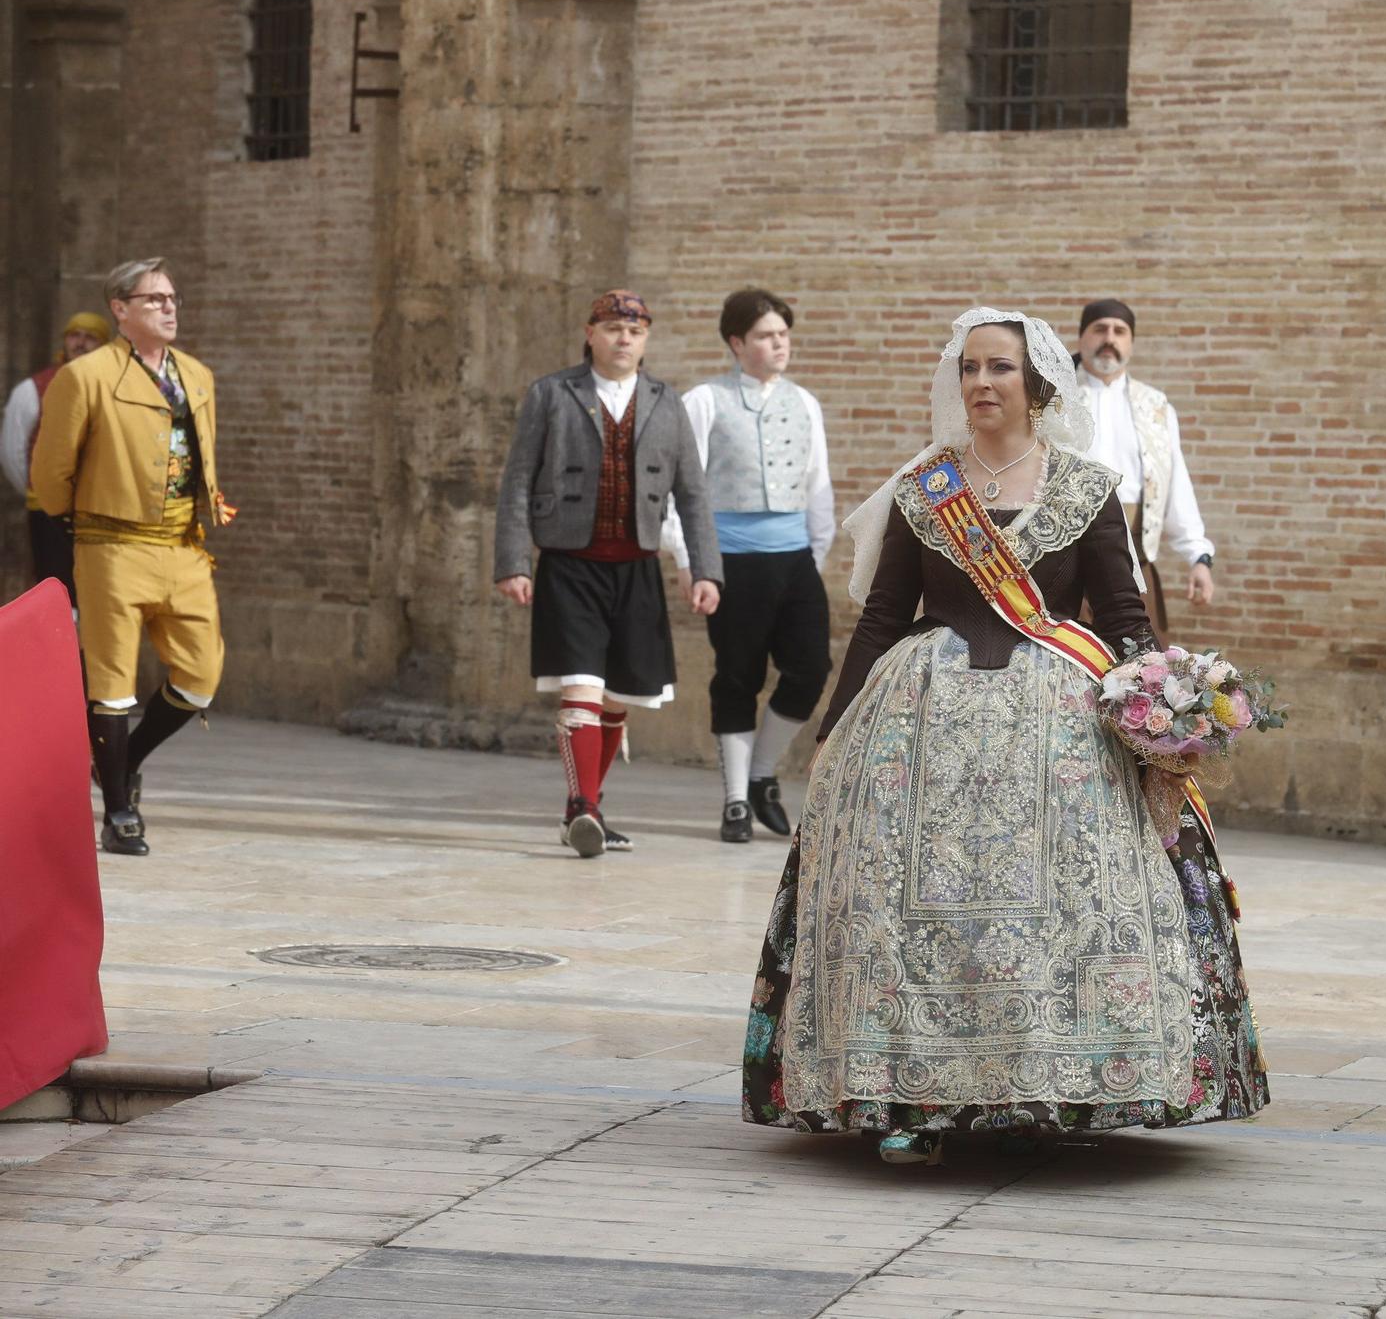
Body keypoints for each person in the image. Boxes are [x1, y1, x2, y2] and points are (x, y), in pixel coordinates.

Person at [741, 308, 1268, 1165]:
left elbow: (1126, 618)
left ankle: (1049, 1088)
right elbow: (880, 620)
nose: (982, 383)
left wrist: (1169, 708)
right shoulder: (927, 490)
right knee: (897, 908)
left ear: (1038, 385)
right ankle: (902, 1096)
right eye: (970, 369)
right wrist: (834, 732)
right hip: (919, 725)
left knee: (1064, 910)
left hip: (1060, 732)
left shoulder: (1088, 489)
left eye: (1001, 369)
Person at [494, 289, 723, 858]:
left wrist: (704, 571)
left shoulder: (665, 402)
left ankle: (587, 805)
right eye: (613, 328)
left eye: (635, 330)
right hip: (569, 565)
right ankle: (583, 808)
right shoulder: (551, 393)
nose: (624, 338)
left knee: (620, 698)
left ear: (645, 339)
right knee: (581, 693)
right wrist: (513, 561)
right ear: (590, 332)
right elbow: (517, 481)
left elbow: (692, 495)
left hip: (637, 569)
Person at [32, 260, 235, 857]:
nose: (170, 309)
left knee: (202, 676)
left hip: (183, 548)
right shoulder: (86, 377)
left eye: (173, 298)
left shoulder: (197, 376)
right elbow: (51, 475)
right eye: (154, 300)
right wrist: (91, 519)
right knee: (112, 684)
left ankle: (126, 761)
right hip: (111, 546)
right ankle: (119, 811)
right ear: (120, 309)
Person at [669, 289, 834, 844]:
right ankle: (736, 799)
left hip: (793, 562)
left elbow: (818, 486)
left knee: (810, 669)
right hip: (730, 562)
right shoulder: (704, 401)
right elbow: (681, 492)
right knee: (737, 674)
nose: (779, 344)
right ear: (737, 342)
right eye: (766, 335)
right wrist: (695, 565)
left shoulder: (805, 402)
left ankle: (764, 773)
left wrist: (813, 555)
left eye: (783, 334)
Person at [1073, 299, 1218, 633]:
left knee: (1140, 676)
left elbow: (1175, 481)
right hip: (1066, 565)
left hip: (1135, 561)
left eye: (1119, 331)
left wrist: (1198, 556)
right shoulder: (1054, 400)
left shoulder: (1156, 406)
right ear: (1081, 339)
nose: (1109, 338)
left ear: (1131, 343)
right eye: (1100, 329)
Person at [1, 311, 112, 607]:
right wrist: (42, 488)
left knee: (98, 593)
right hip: (49, 510)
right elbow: (13, 452)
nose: (81, 343)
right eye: (75, 336)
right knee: (57, 589)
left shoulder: (115, 391)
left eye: (91, 338)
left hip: (101, 512)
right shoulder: (34, 389)